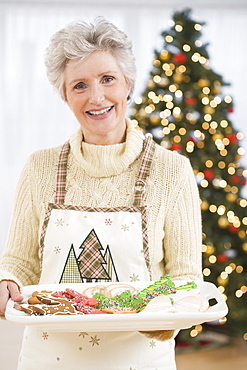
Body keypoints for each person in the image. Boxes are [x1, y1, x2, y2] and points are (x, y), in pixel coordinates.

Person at [0, 17, 203, 369]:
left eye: (107, 79)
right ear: (65, 95)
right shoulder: (40, 168)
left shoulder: (172, 171)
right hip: (50, 358)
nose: (97, 97)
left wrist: (164, 318)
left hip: (140, 358)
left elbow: (186, 277)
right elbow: (20, 262)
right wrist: (8, 281)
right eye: (79, 85)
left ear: (128, 84)